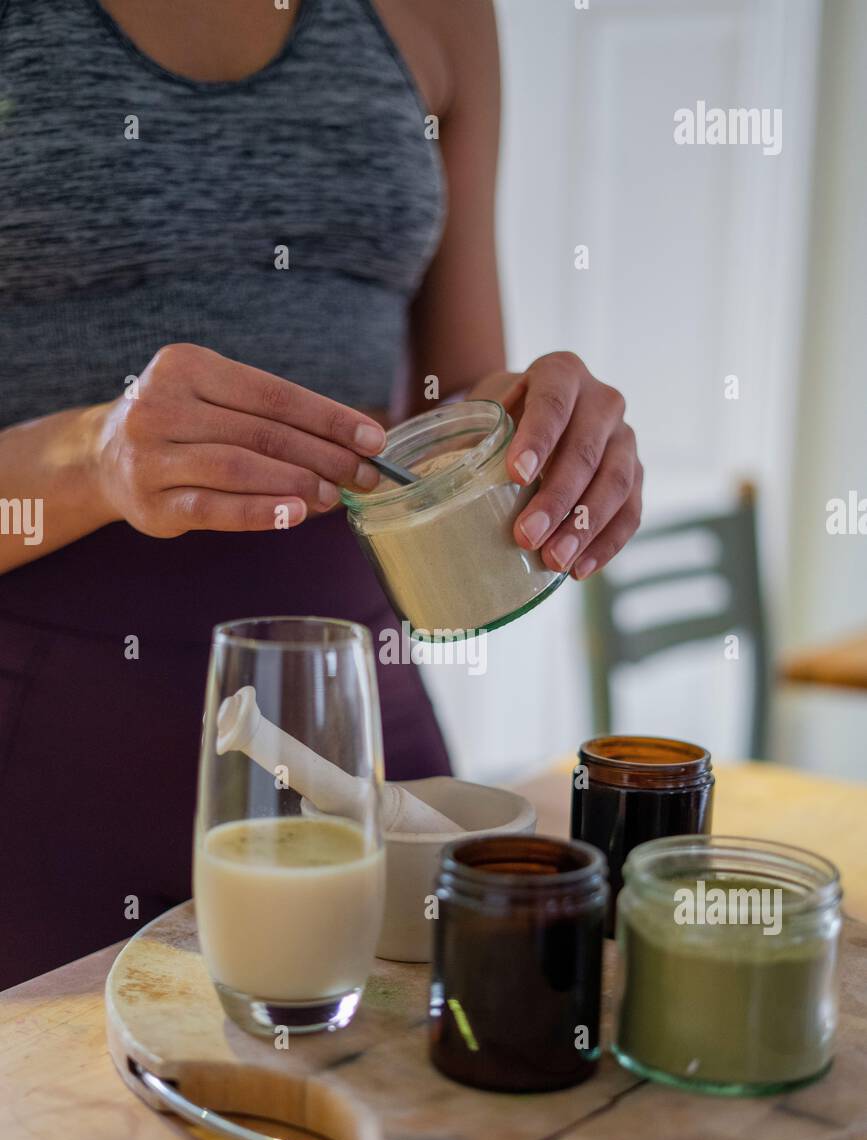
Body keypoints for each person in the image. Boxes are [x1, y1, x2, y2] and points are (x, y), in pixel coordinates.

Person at [0, 0, 642, 987]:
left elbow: (455, 390)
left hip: (358, 721)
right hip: (46, 755)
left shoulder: (445, 15)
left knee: (411, 1105)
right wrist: (96, 454)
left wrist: (530, 434)